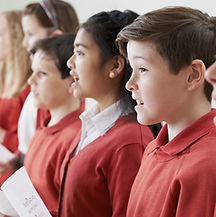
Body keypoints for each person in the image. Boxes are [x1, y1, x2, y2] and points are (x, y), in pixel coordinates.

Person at [116, 6, 216, 217]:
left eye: (142, 69)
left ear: (192, 75)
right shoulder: (154, 148)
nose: (130, 84)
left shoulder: (206, 165)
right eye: (131, 70)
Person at [58, 10, 157, 217]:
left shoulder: (129, 142)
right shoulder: (92, 124)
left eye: (80, 53)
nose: (70, 63)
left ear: (115, 65)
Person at [0, 0, 80, 177]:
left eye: (30, 34)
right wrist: (17, 160)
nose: (24, 43)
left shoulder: (52, 96)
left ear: (54, 36)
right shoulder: (40, 93)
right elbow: (32, 149)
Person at [23, 33, 83, 216]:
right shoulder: (42, 129)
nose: (30, 81)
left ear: (71, 79)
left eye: (42, 73)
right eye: (33, 71)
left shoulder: (76, 138)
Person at [0, 10, 31, 185]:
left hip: (15, 178)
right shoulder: (3, 80)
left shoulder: (29, 87)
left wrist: (3, 135)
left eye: (1, 34)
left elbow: (31, 142)